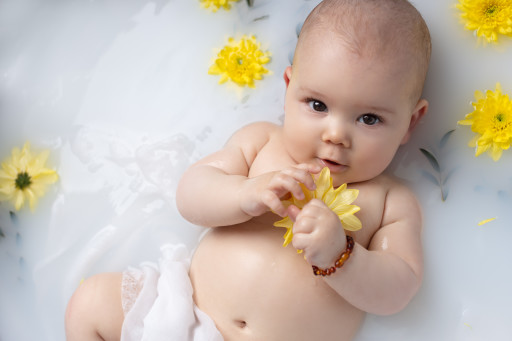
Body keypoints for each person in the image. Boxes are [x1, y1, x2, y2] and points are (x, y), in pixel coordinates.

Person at [65, 0, 431, 340]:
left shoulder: (390, 202)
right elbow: (191, 194)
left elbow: (397, 290)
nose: (335, 135)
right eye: (317, 104)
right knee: (91, 303)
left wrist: (342, 255)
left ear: (410, 123)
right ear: (289, 88)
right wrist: (246, 193)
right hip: (185, 317)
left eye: (369, 118)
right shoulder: (261, 142)